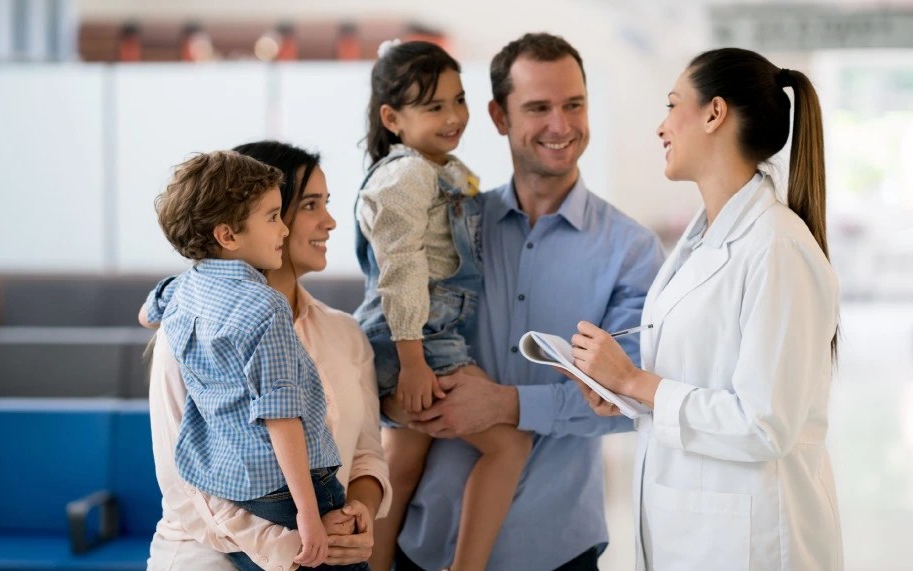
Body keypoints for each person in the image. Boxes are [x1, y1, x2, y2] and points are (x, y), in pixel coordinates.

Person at [394, 32, 665, 571]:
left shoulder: (631, 251)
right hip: (426, 545)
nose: (561, 126)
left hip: (557, 549)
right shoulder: (447, 226)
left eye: (574, 105)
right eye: (538, 108)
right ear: (499, 116)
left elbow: (628, 402)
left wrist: (505, 404)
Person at [568, 48, 843, 570]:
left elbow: (765, 424)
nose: (661, 127)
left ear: (715, 114)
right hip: (694, 533)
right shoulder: (704, 240)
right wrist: (630, 399)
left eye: (674, 105)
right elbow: (702, 377)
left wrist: (634, 382)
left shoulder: (777, 247)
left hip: (753, 543)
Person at [146, 142, 391, 571]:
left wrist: (359, 516)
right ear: (232, 230)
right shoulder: (189, 327)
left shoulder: (346, 333)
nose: (330, 221)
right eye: (310, 205)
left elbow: (369, 454)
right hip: (208, 554)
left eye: (327, 204)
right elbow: (186, 482)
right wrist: (300, 543)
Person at [354, 40, 532, 571]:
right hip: (419, 341)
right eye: (434, 107)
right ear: (392, 117)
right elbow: (401, 270)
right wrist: (413, 362)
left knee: (401, 464)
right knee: (510, 445)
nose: (455, 117)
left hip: (418, 338)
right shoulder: (406, 174)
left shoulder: (440, 168)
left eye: (459, 100)